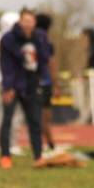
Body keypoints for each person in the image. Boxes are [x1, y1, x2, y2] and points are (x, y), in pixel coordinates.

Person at [0, 8, 49, 168]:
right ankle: (5, 156)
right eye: (25, 21)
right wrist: (8, 87)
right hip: (13, 84)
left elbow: (44, 59)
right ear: (20, 21)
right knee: (7, 120)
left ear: (34, 22)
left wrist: (41, 79)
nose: (28, 24)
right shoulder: (8, 39)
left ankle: (38, 155)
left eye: (31, 21)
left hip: (32, 84)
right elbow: (6, 65)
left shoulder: (40, 37)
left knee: (34, 120)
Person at [0, 11, 24, 154]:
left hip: (3, 78)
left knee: (7, 113)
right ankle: (9, 143)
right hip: (8, 80)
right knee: (12, 114)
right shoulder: (5, 39)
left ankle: (6, 143)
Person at [72, 27, 94, 125]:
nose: (82, 38)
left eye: (84, 36)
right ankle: (84, 119)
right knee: (88, 99)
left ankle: (84, 120)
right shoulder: (90, 48)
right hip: (92, 78)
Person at [35, 12, 59, 153]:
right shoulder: (45, 42)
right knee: (44, 116)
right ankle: (49, 144)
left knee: (41, 116)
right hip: (44, 82)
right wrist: (56, 84)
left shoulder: (34, 38)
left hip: (38, 82)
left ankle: (47, 144)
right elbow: (52, 63)